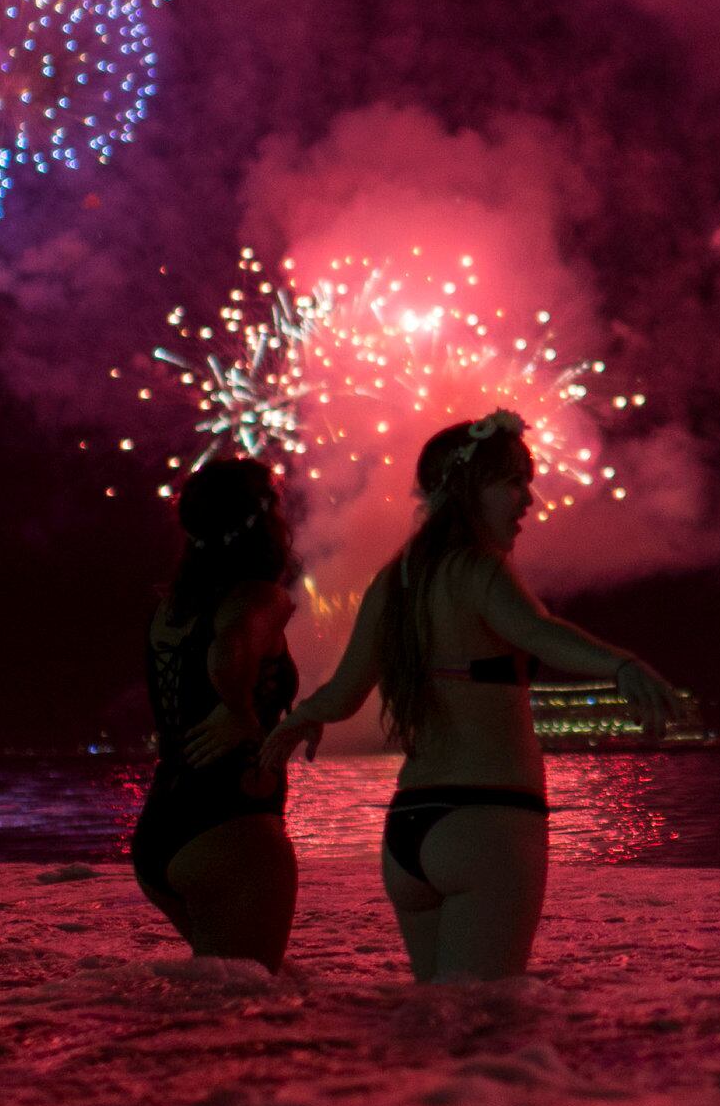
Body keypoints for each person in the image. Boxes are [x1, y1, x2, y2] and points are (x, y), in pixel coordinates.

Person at [265, 408, 678, 982]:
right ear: (466, 488)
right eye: (513, 482)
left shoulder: (396, 579)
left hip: (410, 828)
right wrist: (622, 665)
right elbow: (541, 634)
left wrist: (295, 722)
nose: (528, 499)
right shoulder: (479, 570)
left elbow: (341, 693)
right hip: (486, 825)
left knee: (438, 1029)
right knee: (488, 1029)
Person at [130, 456, 303, 965]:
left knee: (224, 994)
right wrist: (240, 710)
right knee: (250, 1016)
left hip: (163, 827)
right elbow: (228, 649)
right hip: (232, 830)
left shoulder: (172, 607)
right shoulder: (260, 596)